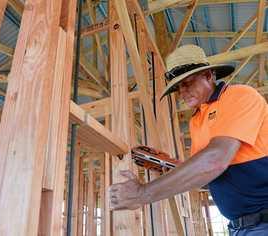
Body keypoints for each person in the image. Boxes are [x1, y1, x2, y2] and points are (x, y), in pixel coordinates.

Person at [109, 45, 268, 235]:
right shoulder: (197, 120)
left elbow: (215, 161)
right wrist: (166, 164)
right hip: (240, 227)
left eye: (187, 82)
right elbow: (205, 178)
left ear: (209, 76)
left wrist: (142, 194)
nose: (182, 92)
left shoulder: (239, 95)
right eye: (178, 87)